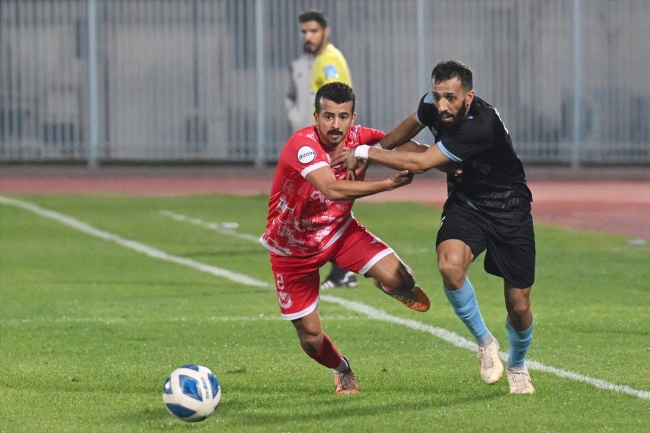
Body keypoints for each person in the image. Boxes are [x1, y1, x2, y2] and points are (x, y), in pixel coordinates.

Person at [344, 60, 536, 394]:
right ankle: (484, 342)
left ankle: (518, 365)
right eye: (437, 96)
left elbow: (421, 162)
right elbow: (407, 129)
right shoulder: (434, 106)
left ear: (469, 97)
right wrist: (381, 147)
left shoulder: (482, 124)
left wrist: (365, 152)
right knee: (449, 265)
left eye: (450, 97)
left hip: (510, 210)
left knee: (518, 306)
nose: (442, 105)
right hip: (467, 204)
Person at [261, 82, 431, 394]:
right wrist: (388, 184)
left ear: (353, 118)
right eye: (328, 116)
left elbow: (401, 146)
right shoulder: (303, 146)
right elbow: (332, 189)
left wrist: (447, 157)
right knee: (311, 339)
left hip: (340, 233)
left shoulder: (359, 138)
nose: (336, 125)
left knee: (404, 279)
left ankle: (386, 283)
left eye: (343, 116)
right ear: (316, 117)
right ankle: (342, 368)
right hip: (292, 250)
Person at [292, 9, 356, 290]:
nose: (308, 36)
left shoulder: (329, 60)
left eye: (313, 31)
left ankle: (342, 271)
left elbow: (338, 104)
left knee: (328, 207)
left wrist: (333, 144)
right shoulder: (320, 60)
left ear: (325, 32)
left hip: (329, 145)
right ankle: (341, 270)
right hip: (320, 143)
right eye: (304, 31)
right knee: (323, 207)